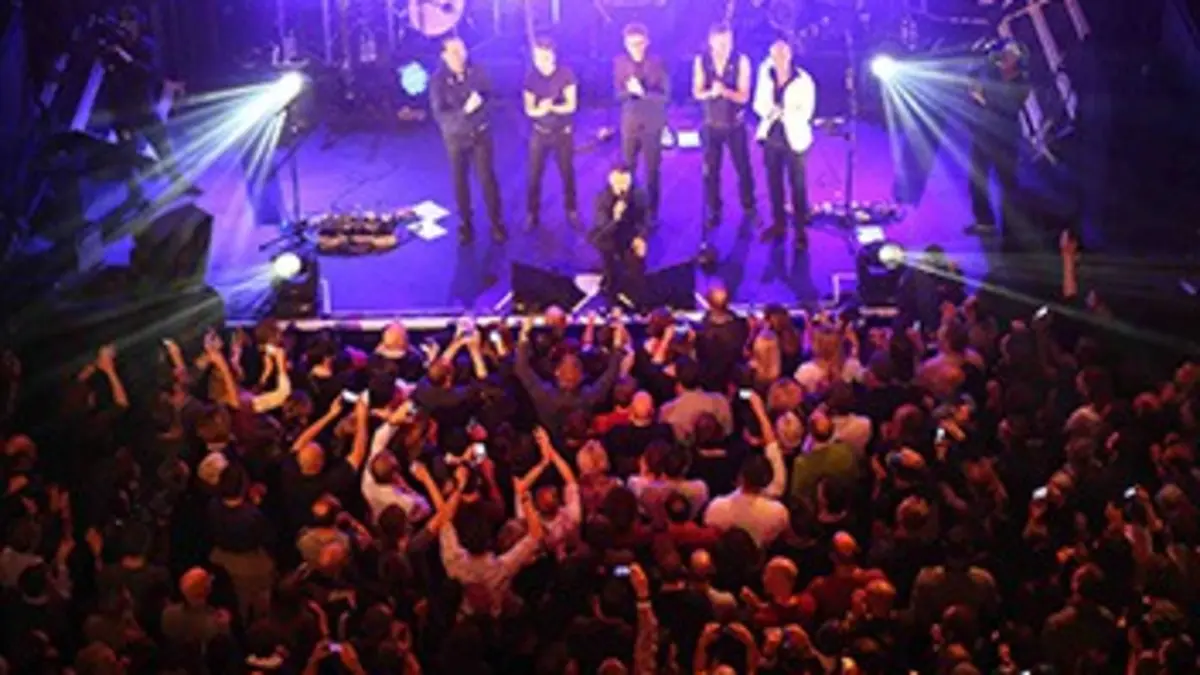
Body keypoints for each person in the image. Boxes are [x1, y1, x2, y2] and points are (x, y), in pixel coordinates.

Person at [103, 5, 192, 203]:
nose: (125, 26)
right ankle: (136, 198)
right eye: (122, 21)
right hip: (122, 112)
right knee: (127, 157)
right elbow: (110, 80)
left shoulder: (145, 46)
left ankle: (179, 184)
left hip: (144, 108)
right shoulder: (113, 48)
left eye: (129, 21)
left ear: (137, 24)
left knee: (164, 148)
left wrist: (124, 56)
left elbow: (146, 72)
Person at [430, 36, 506, 244]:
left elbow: (491, 99)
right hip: (455, 139)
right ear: (444, 56)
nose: (459, 56)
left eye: (462, 50)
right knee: (460, 181)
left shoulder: (478, 71)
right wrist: (465, 112)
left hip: (480, 134)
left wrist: (481, 113)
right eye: (454, 52)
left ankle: (496, 222)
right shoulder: (438, 81)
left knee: (487, 179)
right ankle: (465, 224)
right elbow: (441, 116)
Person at [753, 36, 816, 249]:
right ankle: (778, 224)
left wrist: (785, 113)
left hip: (794, 137)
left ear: (790, 54)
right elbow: (758, 104)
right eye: (775, 54)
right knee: (774, 183)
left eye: (783, 53)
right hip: (772, 136)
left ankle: (800, 231)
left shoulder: (803, 80)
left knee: (797, 185)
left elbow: (806, 112)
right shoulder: (766, 75)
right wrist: (772, 111)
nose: (779, 58)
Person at [965, 40, 1031, 239]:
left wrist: (983, 98)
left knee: (1008, 184)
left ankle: (1013, 227)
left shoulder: (1022, 83)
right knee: (977, 179)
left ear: (1019, 61)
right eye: (1005, 53)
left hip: (1004, 139)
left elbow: (1009, 106)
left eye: (1011, 55)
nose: (1006, 57)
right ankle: (985, 222)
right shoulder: (992, 72)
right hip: (984, 134)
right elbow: (974, 75)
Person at [693, 22, 756, 231]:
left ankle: (749, 207)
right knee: (711, 171)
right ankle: (714, 209)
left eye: (728, 43)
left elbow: (744, 96)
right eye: (720, 44)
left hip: (735, 124)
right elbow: (697, 92)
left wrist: (726, 92)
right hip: (711, 124)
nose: (724, 48)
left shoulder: (741, 60)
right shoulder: (701, 61)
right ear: (711, 42)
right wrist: (710, 93)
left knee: (743, 168)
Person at [613, 23, 669, 224]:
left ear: (647, 42)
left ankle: (652, 212)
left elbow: (664, 96)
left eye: (639, 43)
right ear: (625, 44)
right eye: (631, 44)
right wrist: (629, 92)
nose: (635, 48)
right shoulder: (620, 63)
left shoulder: (658, 63)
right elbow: (617, 94)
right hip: (630, 124)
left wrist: (643, 92)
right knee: (628, 169)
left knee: (652, 170)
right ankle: (630, 207)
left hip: (652, 124)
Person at [523, 36, 580, 232]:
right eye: (537, 57)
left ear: (553, 56)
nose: (541, 61)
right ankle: (532, 213)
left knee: (567, 173)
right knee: (534, 175)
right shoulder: (531, 78)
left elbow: (571, 105)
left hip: (562, 133)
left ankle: (571, 210)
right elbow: (529, 110)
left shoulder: (566, 74)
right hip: (540, 133)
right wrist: (540, 110)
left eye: (545, 57)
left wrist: (552, 107)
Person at [589, 164, 649, 300]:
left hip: (629, 235)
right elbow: (603, 227)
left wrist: (641, 237)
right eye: (619, 183)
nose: (622, 187)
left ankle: (634, 292)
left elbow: (645, 219)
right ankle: (610, 286)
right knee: (612, 268)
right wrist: (616, 217)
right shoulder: (602, 199)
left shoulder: (639, 195)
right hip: (608, 236)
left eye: (625, 183)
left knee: (637, 265)